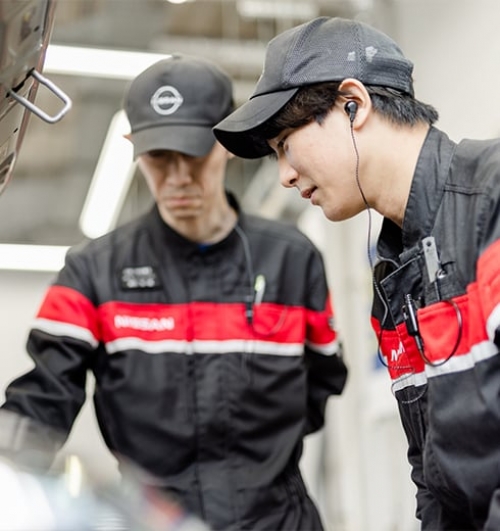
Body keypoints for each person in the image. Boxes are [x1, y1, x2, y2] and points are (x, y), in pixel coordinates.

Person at [0, 53, 348, 531]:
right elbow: (42, 402)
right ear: (133, 148)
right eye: (159, 158)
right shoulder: (93, 273)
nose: (178, 176)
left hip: (278, 521)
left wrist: (258, 468)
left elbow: (323, 381)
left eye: (193, 153)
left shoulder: (292, 260)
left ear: (226, 144)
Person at [213, 15, 500, 531]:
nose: (284, 175)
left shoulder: (492, 200)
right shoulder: (394, 279)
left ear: (354, 104)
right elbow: (432, 475)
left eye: (285, 145)